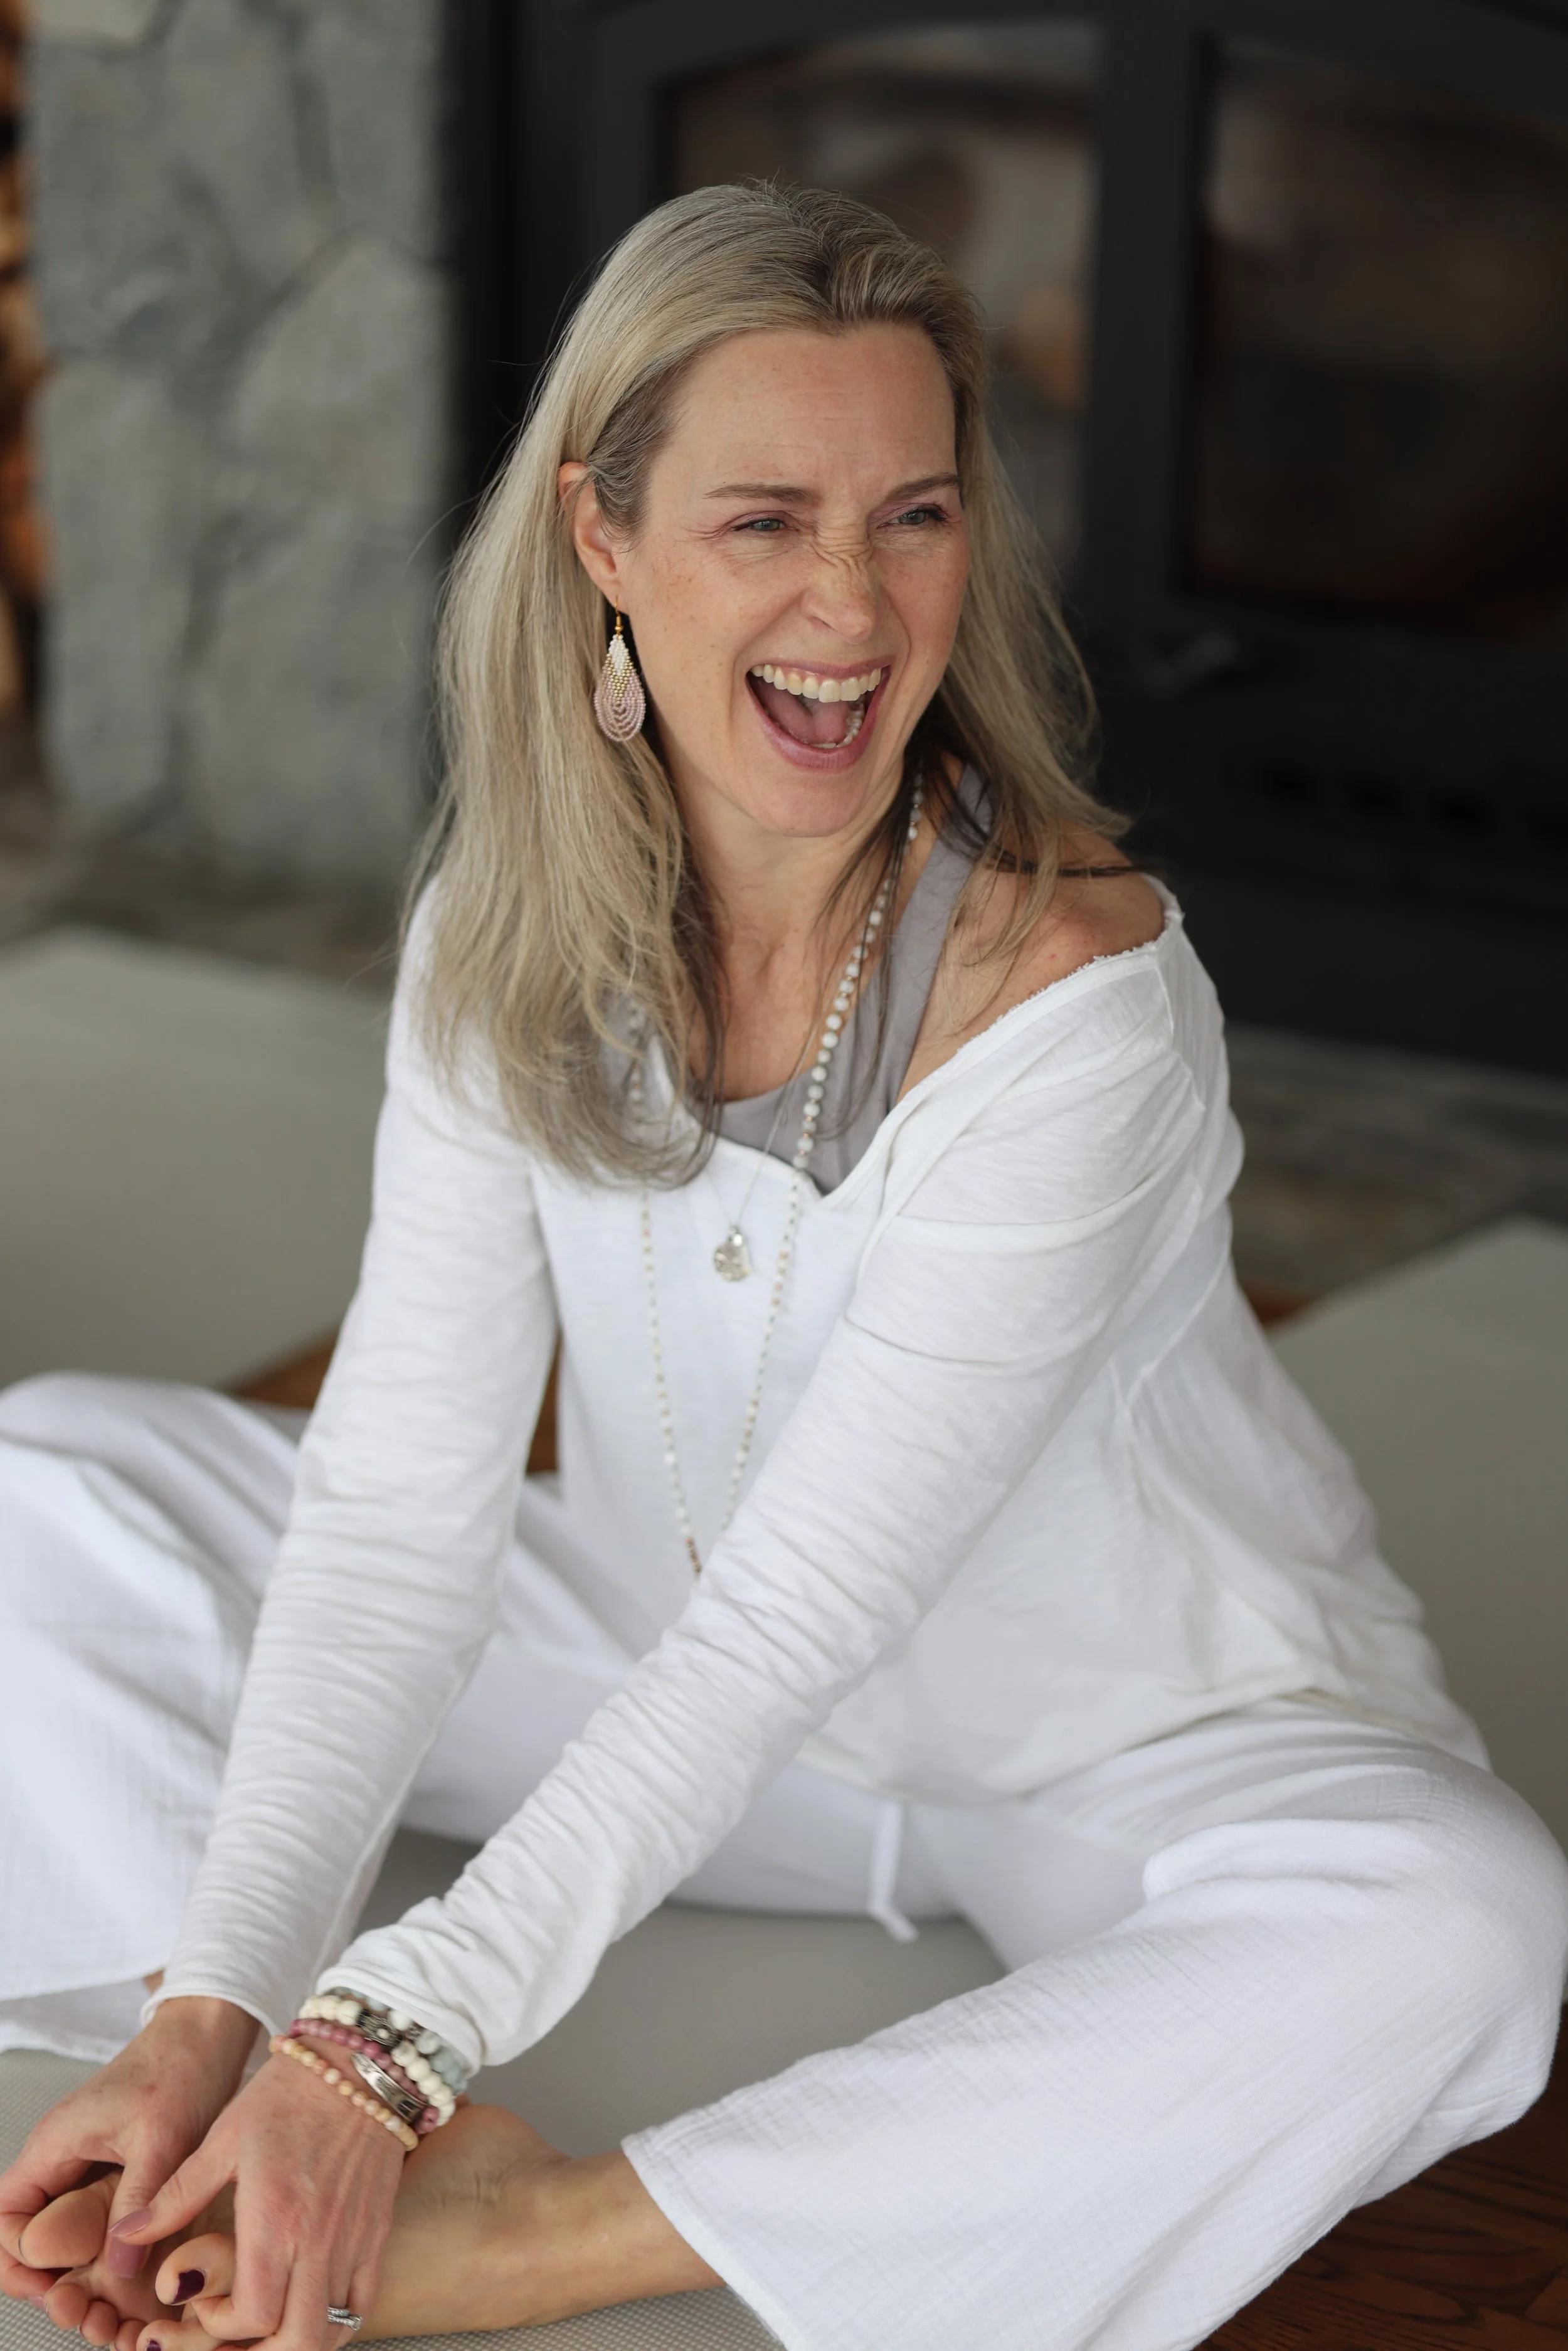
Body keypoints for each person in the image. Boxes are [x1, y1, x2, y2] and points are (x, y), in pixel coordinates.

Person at [1, 181, 1564, 2351]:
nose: (852, 603)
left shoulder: (1071, 1004)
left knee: (1461, 1928)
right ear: (601, 535)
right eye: (763, 520)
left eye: (912, 517)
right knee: (49, 1475)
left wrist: (386, 2050)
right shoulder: (505, 920)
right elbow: (398, 1507)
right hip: (660, 1639)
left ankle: (537, 2232)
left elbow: (801, 1613)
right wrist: (232, 2008)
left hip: (1110, 1741)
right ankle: (186, 2105)